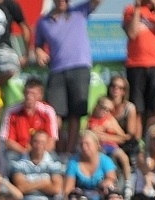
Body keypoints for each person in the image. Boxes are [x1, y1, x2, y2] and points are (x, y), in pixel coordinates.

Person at [34, 0, 103, 154]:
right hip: (56, 70)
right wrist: (39, 52)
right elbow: (38, 45)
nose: (63, 1)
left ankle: (69, 153)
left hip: (80, 67)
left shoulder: (79, 11)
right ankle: (56, 152)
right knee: (55, 114)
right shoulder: (43, 21)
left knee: (75, 114)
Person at [122, 0, 155, 129]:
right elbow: (132, 33)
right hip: (135, 65)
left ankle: (154, 136)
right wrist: (137, 9)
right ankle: (137, 139)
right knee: (137, 108)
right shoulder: (130, 10)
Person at [0, 77, 59, 158]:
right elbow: (8, 141)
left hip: (43, 153)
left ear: (40, 95)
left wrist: (38, 155)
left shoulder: (48, 112)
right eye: (27, 93)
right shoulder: (11, 112)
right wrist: (25, 153)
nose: (29, 96)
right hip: (19, 152)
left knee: (54, 158)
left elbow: (51, 142)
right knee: (9, 157)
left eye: (33, 94)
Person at [9, 131, 64, 200]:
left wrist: (29, 184)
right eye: (36, 142)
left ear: (47, 144)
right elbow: (20, 188)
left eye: (42, 142)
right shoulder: (19, 161)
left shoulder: (54, 161)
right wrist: (44, 182)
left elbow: (56, 189)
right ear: (30, 142)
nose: (39, 145)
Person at [87, 96, 133, 189]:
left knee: (123, 157)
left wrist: (109, 133)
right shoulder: (91, 120)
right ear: (97, 106)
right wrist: (95, 133)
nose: (106, 112)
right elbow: (86, 135)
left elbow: (123, 137)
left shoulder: (110, 120)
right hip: (98, 148)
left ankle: (128, 182)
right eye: (104, 108)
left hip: (111, 146)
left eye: (109, 110)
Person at [63, 130, 118, 200]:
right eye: (81, 144)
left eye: (87, 144)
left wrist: (106, 183)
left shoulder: (105, 161)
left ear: (96, 145)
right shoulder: (73, 163)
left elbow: (112, 179)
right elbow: (67, 190)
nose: (84, 147)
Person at [107, 75, 142, 164]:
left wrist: (111, 138)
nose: (116, 89)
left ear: (124, 91)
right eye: (113, 86)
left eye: (120, 88)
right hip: (105, 142)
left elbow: (130, 135)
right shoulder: (103, 104)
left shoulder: (129, 108)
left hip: (123, 143)